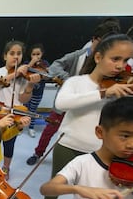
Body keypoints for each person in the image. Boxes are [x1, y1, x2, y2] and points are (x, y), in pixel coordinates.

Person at [36, 33, 133, 199]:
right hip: (69, 144)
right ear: (98, 57)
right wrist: (103, 93)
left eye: (125, 60)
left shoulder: (122, 88)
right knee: (56, 181)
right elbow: (62, 103)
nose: (121, 66)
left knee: (93, 193)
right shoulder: (77, 82)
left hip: (100, 151)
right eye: (115, 59)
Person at [26, 19, 121, 167]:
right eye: (102, 43)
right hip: (69, 100)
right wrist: (69, 80)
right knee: (50, 128)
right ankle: (38, 153)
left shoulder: (112, 61)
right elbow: (56, 65)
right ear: (94, 40)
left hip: (92, 106)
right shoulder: (80, 54)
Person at [0, 40, 41, 180]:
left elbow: (24, 99)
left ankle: (6, 167)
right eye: (12, 53)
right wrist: (15, 74)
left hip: (14, 115)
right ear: (5, 56)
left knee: (9, 143)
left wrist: (30, 85)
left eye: (19, 54)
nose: (16, 57)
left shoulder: (24, 77)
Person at [24, 43, 50, 138]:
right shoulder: (27, 63)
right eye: (33, 54)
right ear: (30, 55)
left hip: (38, 93)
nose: (36, 56)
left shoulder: (45, 64)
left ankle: (31, 128)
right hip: (26, 92)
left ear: (42, 54)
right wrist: (31, 63)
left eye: (38, 54)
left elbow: (48, 78)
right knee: (24, 109)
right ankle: (21, 126)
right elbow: (23, 73)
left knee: (33, 110)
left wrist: (45, 71)